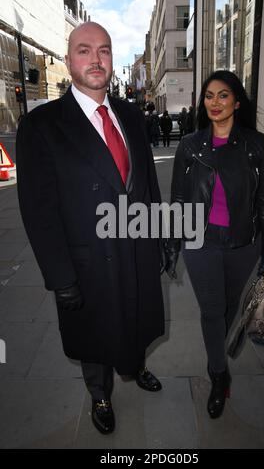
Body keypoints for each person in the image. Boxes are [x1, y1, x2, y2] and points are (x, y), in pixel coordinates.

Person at [16, 22, 165, 435]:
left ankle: (134, 366)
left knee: (136, 316)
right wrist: (60, 276)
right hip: (87, 260)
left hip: (135, 246)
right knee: (96, 332)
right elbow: (38, 211)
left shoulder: (132, 116)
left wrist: (159, 237)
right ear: (68, 61)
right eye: (84, 50)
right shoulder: (42, 126)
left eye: (104, 50)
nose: (95, 59)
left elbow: (147, 184)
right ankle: (100, 394)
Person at [165, 70, 264, 419]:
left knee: (230, 310)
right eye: (209, 95)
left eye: (223, 95)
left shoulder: (257, 145)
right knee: (212, 310)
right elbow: (179, 200)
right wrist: (171, 242)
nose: (214, 102)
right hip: (201, 245)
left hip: (244, 245)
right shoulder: (189, 146)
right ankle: (218, 374)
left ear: (237, 102)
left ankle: (224, 347)